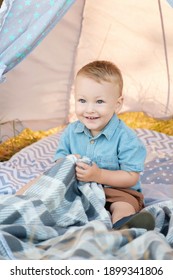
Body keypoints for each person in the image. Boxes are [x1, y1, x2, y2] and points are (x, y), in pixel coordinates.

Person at [54, 60, 155, 230]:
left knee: (123, 206)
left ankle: (125, 226)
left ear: (117, 104)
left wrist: (99, 175)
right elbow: (59, 161)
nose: (89, 109)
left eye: (99, 102)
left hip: (118, 192)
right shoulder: (71, 132)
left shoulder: (126, 138)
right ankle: (25, 205)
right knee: (56, 198)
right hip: (80, 190)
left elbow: (131, 176)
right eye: (82, 100)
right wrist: (68, 163)